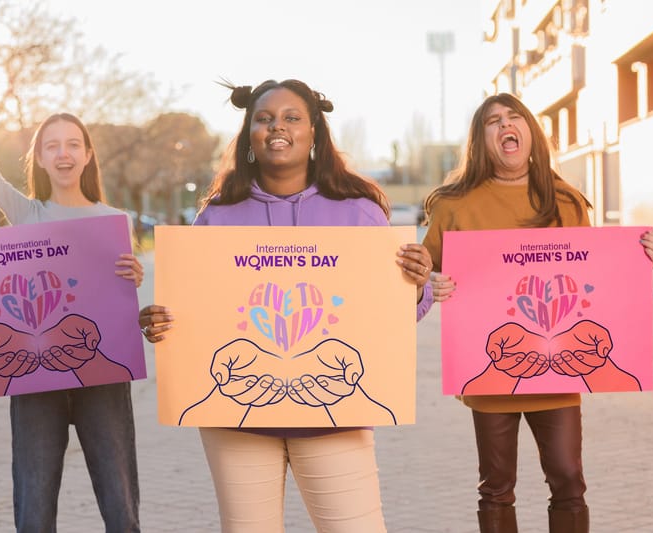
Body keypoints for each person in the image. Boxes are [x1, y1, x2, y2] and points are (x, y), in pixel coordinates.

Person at [139, 79, 434, 532]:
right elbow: (189, 309)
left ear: (315, 131)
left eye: (292, 117)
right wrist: (161, 322)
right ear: (249, 135)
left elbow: (402, 310)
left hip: (336, 413)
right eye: (264, 118)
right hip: (237, 418)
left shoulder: (359, 211)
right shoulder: (216, 216)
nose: (277, 127)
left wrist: (415, 283)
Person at [423, 92, 653, 533]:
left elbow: (597, 273)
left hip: (560, 369)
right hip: (490, 368)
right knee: (496, 486)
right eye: (492, 121)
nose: (504, 125)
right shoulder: (452, 204)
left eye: (514, 117)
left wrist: (644, 259)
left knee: (569, 481)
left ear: (531, 133)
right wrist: (431, 283)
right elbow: (422, 273)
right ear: (481, 140)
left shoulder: (566, 200)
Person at [0, 35, 144, 533]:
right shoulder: (25, 213)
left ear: (88, 154)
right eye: (51, 145)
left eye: (72, 143)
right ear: (39, 157)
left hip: (103, 379)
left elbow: (117, 308)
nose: (63, 152)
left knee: (121, 509)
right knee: (34, 510)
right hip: (33, 380)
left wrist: (136, 279)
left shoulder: (116, 219)